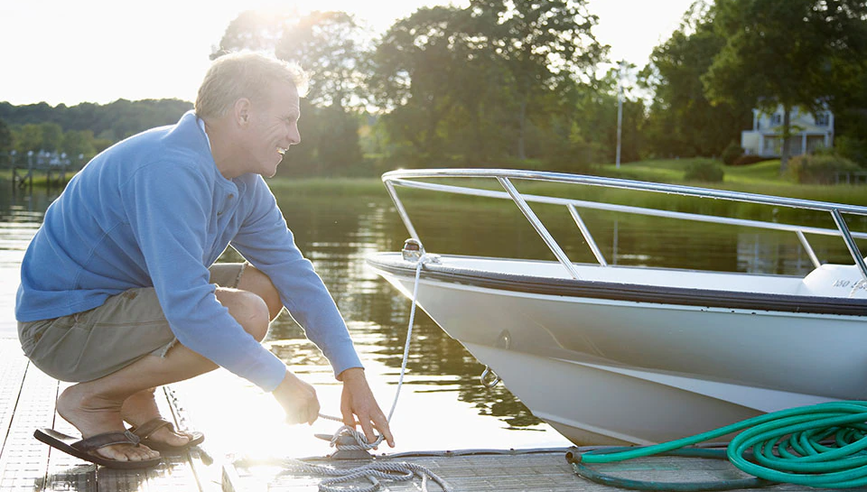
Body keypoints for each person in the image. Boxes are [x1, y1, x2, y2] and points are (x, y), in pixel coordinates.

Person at [15, 52, 394, 469]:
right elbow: (189, 308)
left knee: (266, 285)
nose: (296, 135)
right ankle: (92, 399)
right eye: (287, 119)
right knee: (245, 313)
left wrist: (351, 373)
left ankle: (134, 395)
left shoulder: (241, 181)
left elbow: (295, 275)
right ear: (244, 113)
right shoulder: (170, 169)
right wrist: (280, 382)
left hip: (120, 305)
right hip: (59, 329)